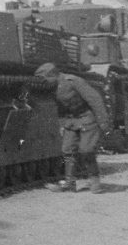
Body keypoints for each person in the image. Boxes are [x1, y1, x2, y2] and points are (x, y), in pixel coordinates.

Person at [35, 62, 111, 193]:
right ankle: (70, 183)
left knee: (87, 150)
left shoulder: (73, 81)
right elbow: (61, 107)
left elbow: (95, 99)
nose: (44, 83)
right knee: (67, 150)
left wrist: (103, 121)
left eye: (45, 79)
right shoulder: (53, 87)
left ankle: (95, 182)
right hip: (70, 121)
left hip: (87, 118)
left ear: (53, 75)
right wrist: (62, 125)